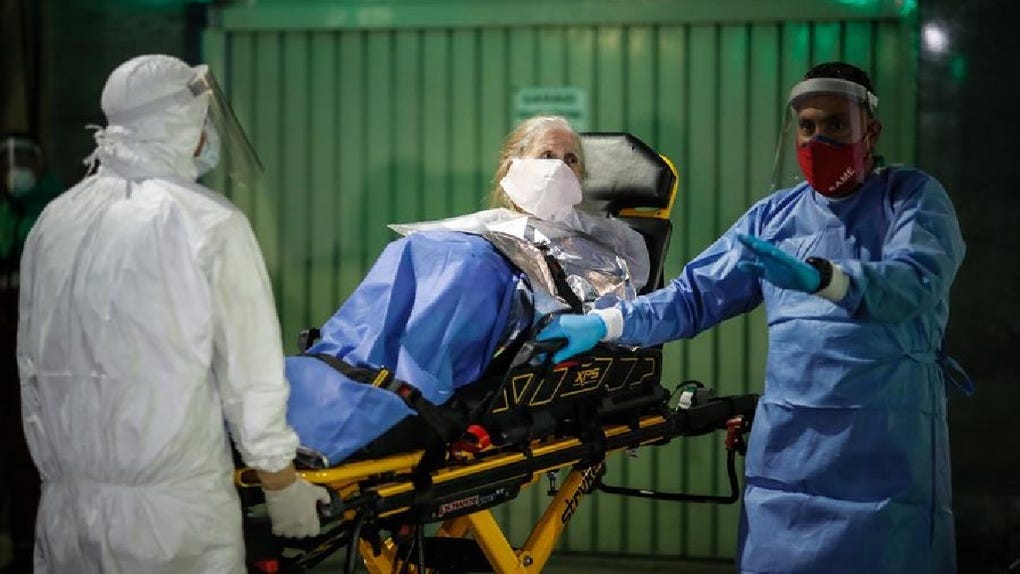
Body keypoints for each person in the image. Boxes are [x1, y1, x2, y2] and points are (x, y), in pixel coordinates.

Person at [539, 62, 966, 573]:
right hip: (791, 456)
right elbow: (693, 298)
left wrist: (825, 279)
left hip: (885, 452)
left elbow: (914, 283)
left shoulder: (910, 199)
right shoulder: (775, 218)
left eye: (836, 124)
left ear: (870, 132)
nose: (818, 139)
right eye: (807, 126)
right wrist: (606, 324)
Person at [16, 54, 328, 573]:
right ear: (181, 124)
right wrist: (279, 482)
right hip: (173, 522)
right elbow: (249, 376)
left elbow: (31, 367)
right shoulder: (207, 223)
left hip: (66, 517)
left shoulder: (55, 221)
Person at [283, 115, 652, 466]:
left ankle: (395, 400)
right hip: (472, 268)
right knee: (411, 250)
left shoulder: (601, 242)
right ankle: (333, 369)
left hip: (501, 298)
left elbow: (608, 300)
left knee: (468, 266)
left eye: (571, 159)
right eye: (546, 155)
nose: (559, 167)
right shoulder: (483, 230)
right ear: (512, 167)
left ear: (581, 177)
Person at [0, 134, 61, 573]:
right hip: (6, 348)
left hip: (40, 355)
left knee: (31, 447)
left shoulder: (54, 214)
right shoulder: (5, 215)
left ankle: (30, 541)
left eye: (22, 159)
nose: (13, 169)